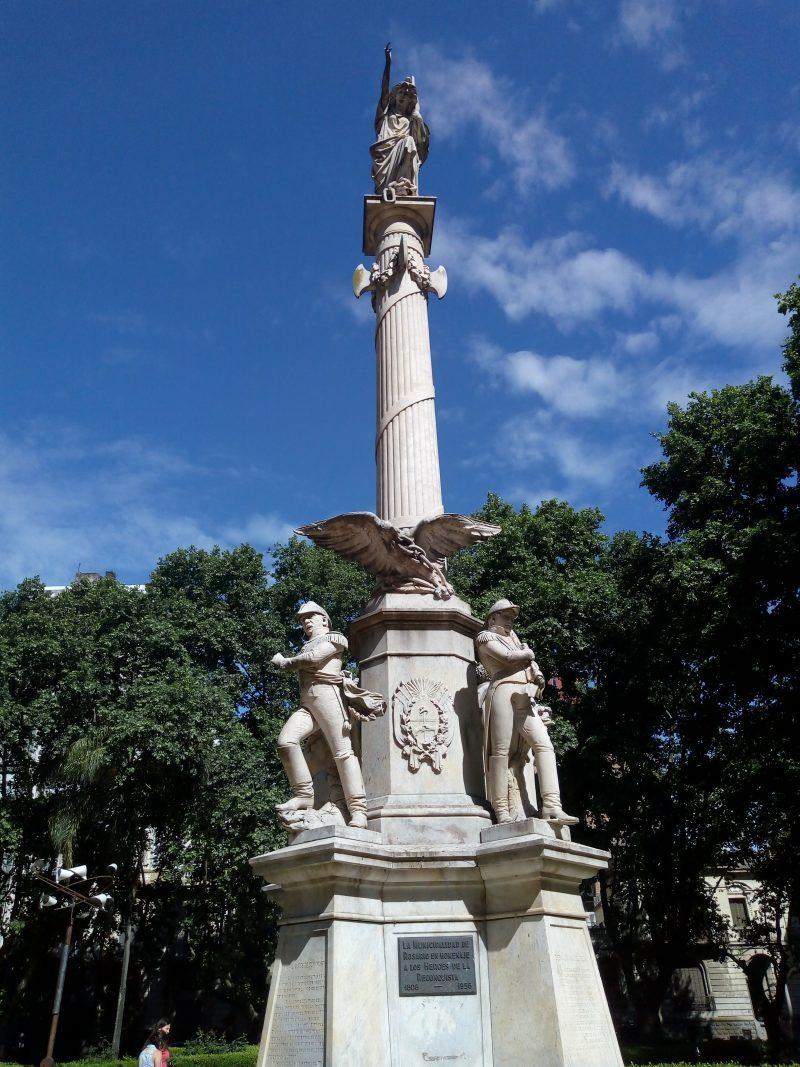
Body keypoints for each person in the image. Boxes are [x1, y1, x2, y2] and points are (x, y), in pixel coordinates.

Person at [475, 599, 578, 826]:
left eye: (512, 618)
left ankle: (552, 805)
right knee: (500, 751)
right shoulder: (486, 637)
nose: (510, 621)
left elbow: (525, 662)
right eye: (506, 617)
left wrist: (537, 674)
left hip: (524, 695)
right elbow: (507, 658)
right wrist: (528, 655)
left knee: (544, 745)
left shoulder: (517, 641)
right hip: (502, 691)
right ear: (492, 618)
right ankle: (501, 808)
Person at [273, 602, 373, 828]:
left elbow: (315, 659)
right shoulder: (305, 646)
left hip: (329, 697)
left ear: (324, 620)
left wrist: (284, 662)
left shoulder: (335, 638)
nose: (306, 622)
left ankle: (358, 811)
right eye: (302, 620)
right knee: (286, 741)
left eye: (310, 617)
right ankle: (304, 794)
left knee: (343, 754)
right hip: (308, 703)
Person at [370, 43, 429, 196]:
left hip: (404, 154)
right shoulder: (385, 115)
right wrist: (388, 64)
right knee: (407, 141)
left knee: (409, 142)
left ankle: (403, 183)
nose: (404, 96)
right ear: (394, 96)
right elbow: (384, 90)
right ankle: (394, 186)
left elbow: (421, 141)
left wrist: (416, 112)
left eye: (408, 95)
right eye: (401, 93)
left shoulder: (411, 120)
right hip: (386, 155)